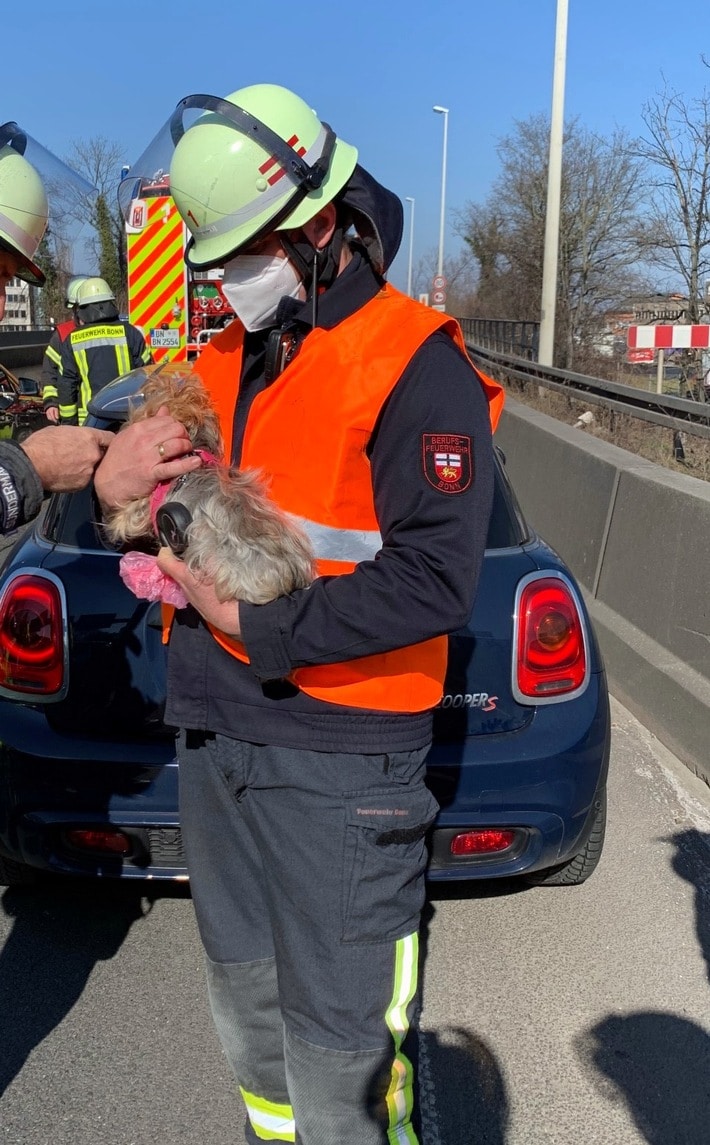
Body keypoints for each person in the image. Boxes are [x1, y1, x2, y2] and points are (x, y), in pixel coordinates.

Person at [96, 83, 505, 1145]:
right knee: (253, 1032)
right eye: (218, 260)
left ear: (321, 225)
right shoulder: (219, 362)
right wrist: (122, 510)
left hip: (342, 757)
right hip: (220, 737)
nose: (229, 280)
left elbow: (431, 578)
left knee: (344, 1061)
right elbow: (180, 524)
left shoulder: (415, 364)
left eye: (245, 252)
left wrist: (253, 623)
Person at [0, 124, 116, 532]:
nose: (1, 309)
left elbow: (56, 379)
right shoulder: (128, 334)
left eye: (6, 282)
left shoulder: (66, 336)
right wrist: (30, 468)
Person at [57, 276, 152, 424]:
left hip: (91, 421)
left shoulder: (72, 340)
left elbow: (66, 386)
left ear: (82, 310)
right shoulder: (130, 333)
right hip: (129, 418)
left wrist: (69, 423)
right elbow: (148, 374)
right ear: (111, 303)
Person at [41, 275, 88, 422]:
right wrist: (51, 402)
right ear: (73, 309)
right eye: (79, 308)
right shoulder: (62, 334)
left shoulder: (110, 331)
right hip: (73, 420)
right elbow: (50, 371)